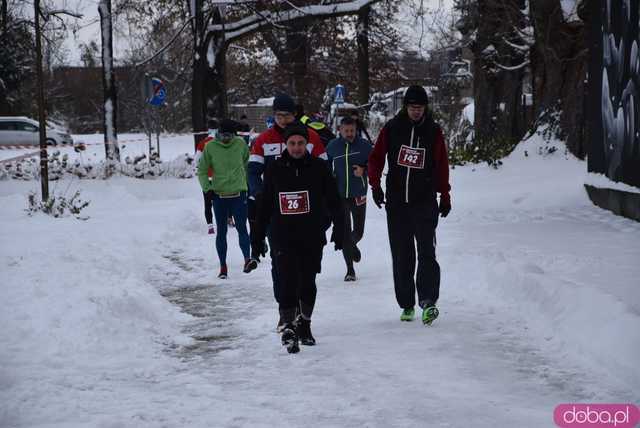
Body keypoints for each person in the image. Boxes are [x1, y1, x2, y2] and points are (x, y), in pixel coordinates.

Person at [252, 123, 344, 354]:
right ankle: (288, 327)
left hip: (311, 234)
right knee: (286, 280)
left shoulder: (319, 168)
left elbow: (334, 200)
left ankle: (305, 323)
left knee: (307, 281)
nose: (296, 147)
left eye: (300, 143)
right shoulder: (275, 170)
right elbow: (264, 205)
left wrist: (340, 229)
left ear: (307, 144)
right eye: (292, 143)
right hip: (282, 235)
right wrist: (257, 237)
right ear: (285, 144)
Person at [367, 85, 451, 325]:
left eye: (420, 107)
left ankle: (428, 302)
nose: (416, 112)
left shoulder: (433, 132)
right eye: (413, 107)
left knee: (427, 251)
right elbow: (376, 158)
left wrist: (444, 195)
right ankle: (406, 303)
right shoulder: (392, 129)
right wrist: (375, 186)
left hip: (424, 202)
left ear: (425, 108)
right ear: (406, 107)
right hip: (397, 203)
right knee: (402, 254)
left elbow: (441, 165)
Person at [248, 94, 328, 331]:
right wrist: (261, 196)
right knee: (280, 264)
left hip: (308, 216)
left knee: (306, 269)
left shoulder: (311, 138)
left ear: (295, 115)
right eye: (279, 115)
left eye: (287, 115)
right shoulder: (263, 140)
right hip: (277, 214)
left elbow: (325, 171)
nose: (283, 120)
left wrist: (324, 207)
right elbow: (253, 172)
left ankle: (303, 315)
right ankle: (285, 312)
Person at [198, 119, 255, 279]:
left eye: (229, 135)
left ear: (234, 134)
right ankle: (223, 266)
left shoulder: (240, 144)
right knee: (221, 231)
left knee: (242, 228)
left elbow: (246, 163)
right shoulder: (210, 147)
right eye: (223, 135)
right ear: (218, 133)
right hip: (219, 195)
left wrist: (244, 182)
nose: (225, 138)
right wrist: (207, 189)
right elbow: (202, 170)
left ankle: (247, 260)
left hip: (239, 194)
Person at [326, 116, 373, 282]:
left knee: (358, 231)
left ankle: (351, 245)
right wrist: (328, 178)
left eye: (352, 130)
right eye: (346, 131)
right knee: (345, 232)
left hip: (359, 193)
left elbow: (375, 164)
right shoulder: (332, 146)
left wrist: (364, 169)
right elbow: (325, 165)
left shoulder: (364, 146)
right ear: (340, 131)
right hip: (340, 196)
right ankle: (350, 270)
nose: (349, 134)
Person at [195, 119, 218, 234]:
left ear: (208, 129)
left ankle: (210, 226)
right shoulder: (220, 142)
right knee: (221, 200)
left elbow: (196, 160)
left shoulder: (202, 143)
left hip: (207, 178)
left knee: (207, 202)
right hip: (219, 178)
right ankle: (227, 219)